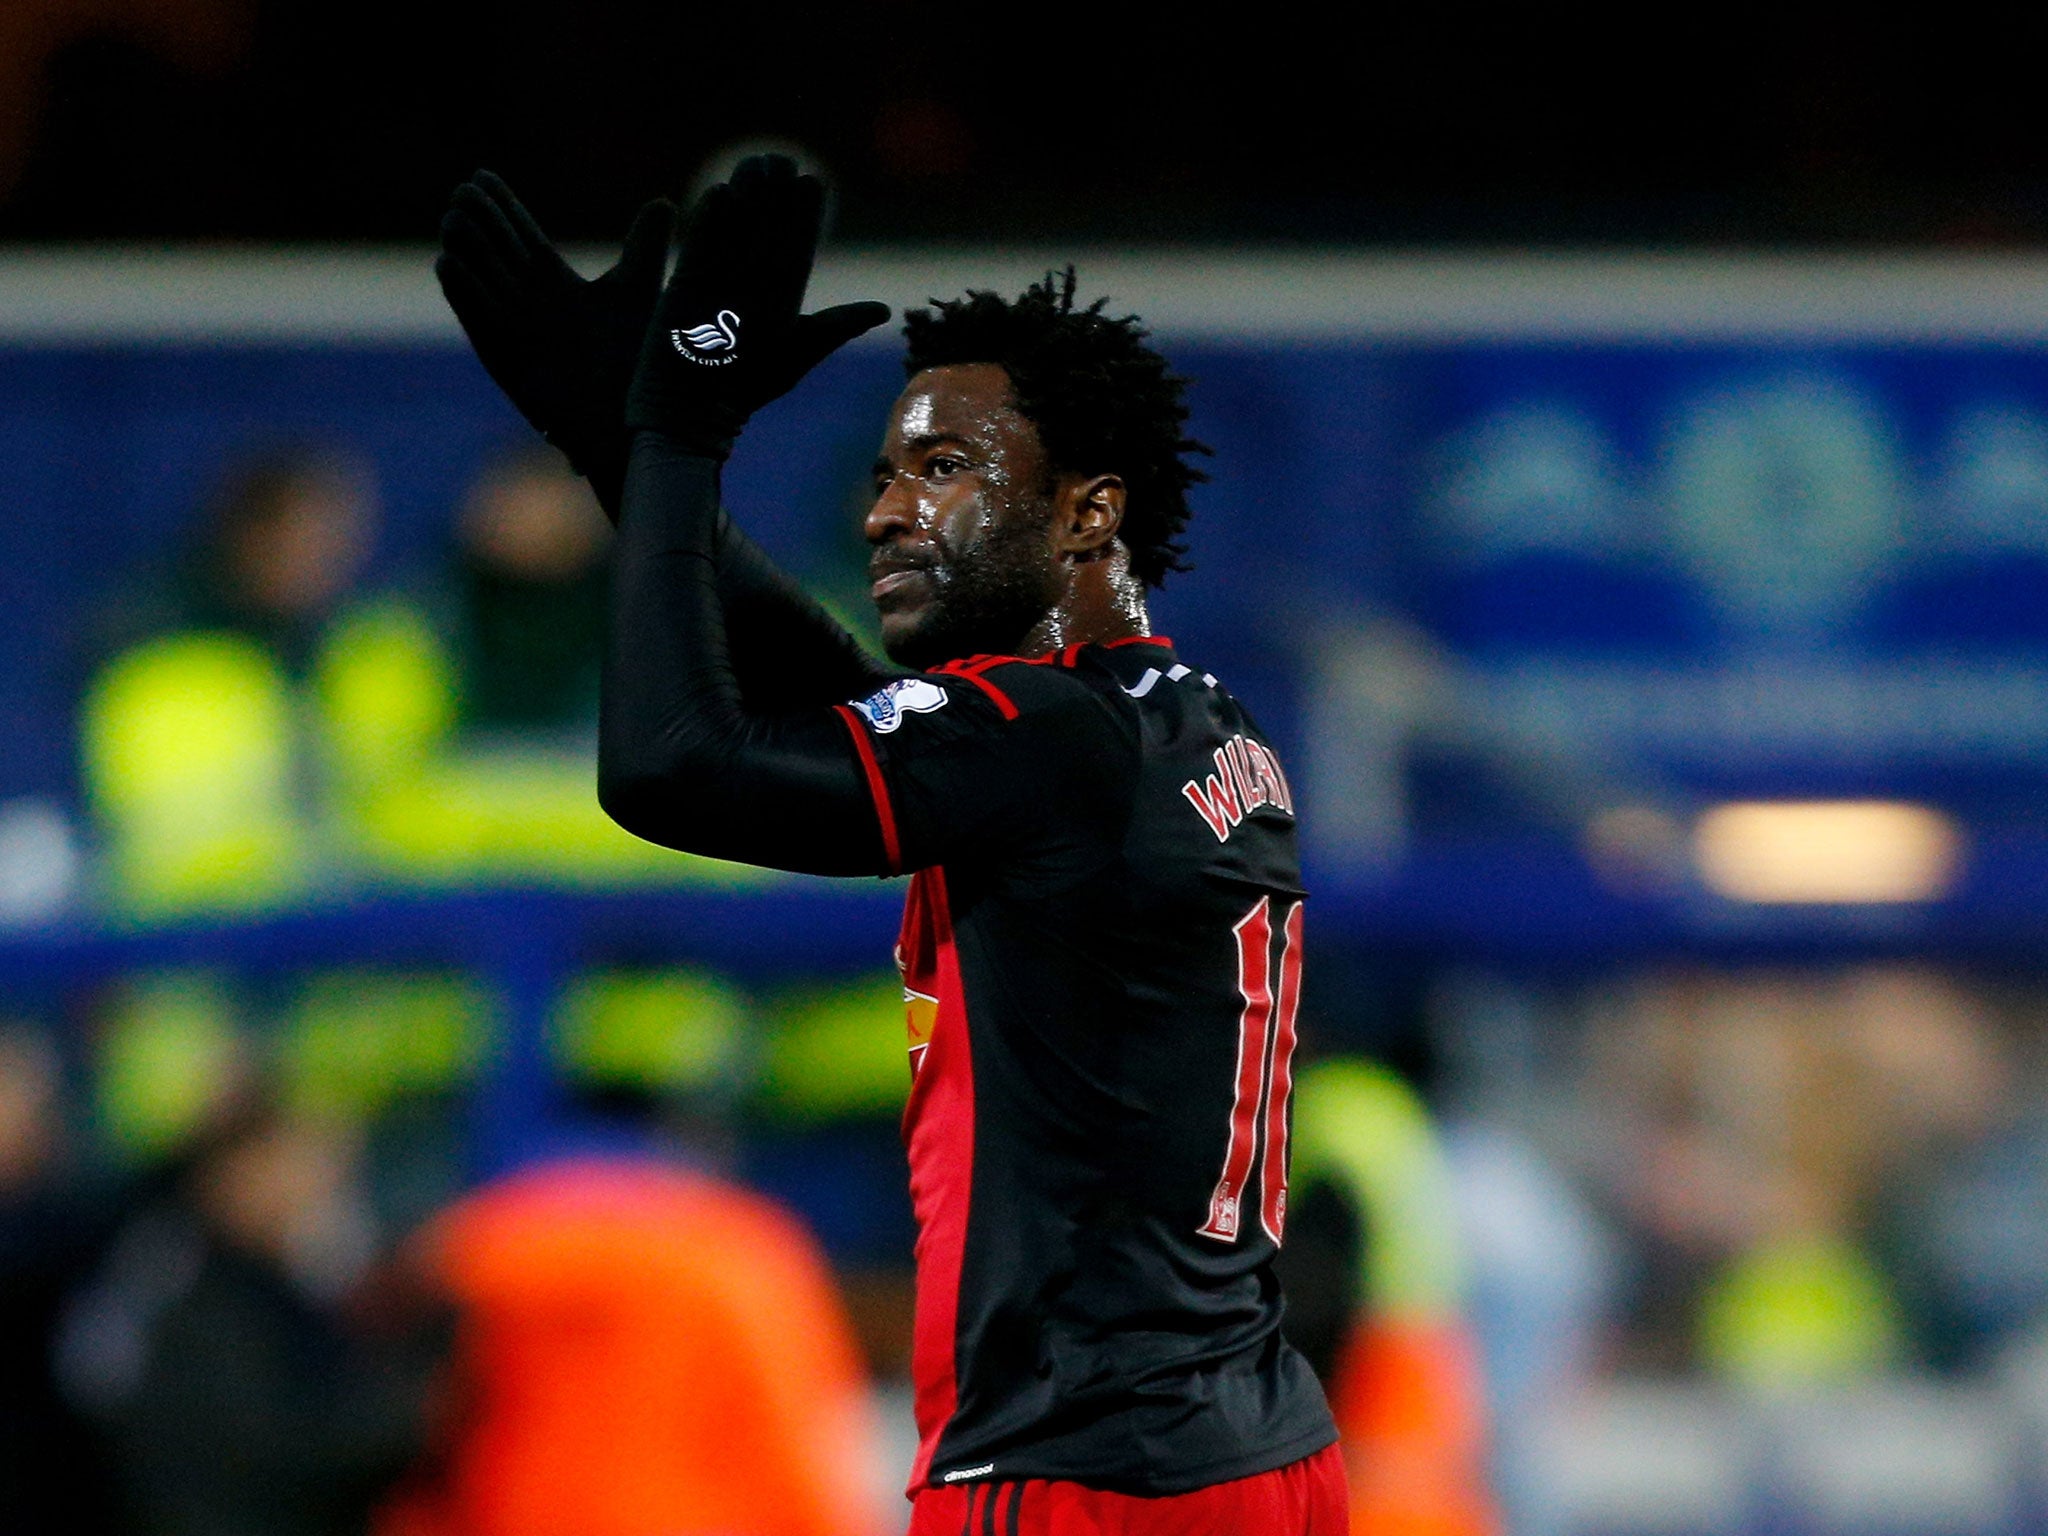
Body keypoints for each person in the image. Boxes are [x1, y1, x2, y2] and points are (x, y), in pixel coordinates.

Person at [436, 156, 1346, 1533]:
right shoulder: (1182, 716)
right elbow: (860, 705)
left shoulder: (1047, 741)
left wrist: (678, 431)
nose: (882, 513)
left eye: (943, 470)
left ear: (1088, 512)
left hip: (1078, 1466)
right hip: (1250, 1449)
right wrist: (619, 457)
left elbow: (672, 768)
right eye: (883, 474)